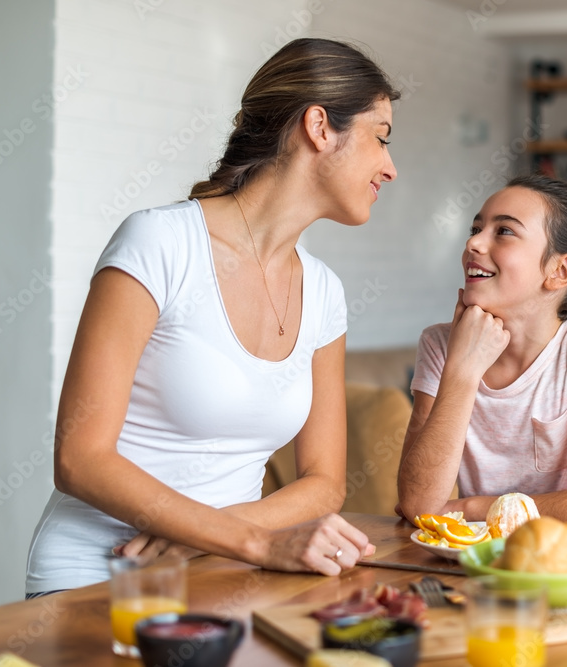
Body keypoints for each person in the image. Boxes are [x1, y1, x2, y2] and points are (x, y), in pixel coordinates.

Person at [25, 38, 399, 596]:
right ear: (320, 128)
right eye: (381, 138)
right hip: (98, 575)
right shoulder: (160, 242)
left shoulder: (324, 292)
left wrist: (212, 536)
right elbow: (79, 457)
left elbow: (323, 484)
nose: (390, 168)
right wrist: (254, 542)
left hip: (219, 576)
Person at [397, 174, 567, 522]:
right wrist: (462, 371)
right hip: (472, 562)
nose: (474, 244)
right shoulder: (439, 345)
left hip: (562, 559)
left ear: (560, 270)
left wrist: (469, 507)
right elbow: (418, 503)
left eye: (504, 231)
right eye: (475, 229)